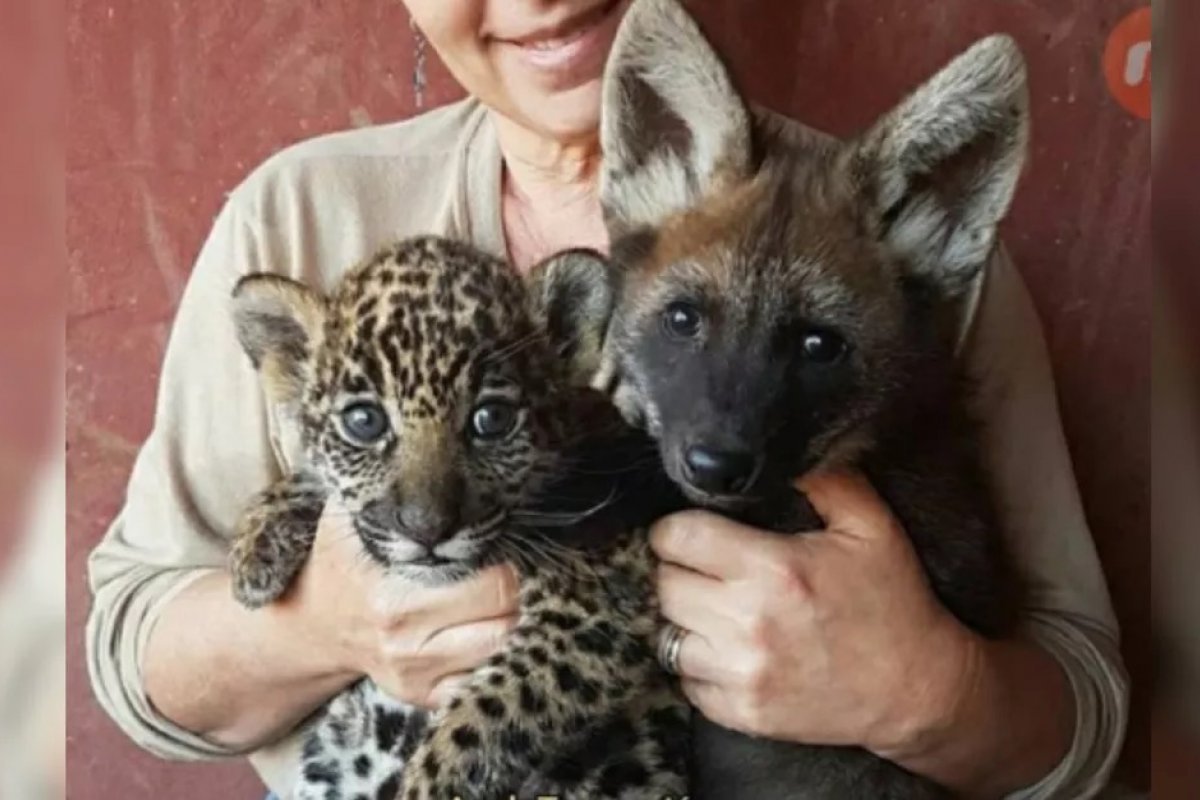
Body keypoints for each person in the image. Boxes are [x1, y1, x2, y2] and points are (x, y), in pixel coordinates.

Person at [86, 1, 1128, 797]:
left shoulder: (909, 275)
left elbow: (1088, 706)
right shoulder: (299, 218)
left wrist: (930, 694)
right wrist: (332, 624)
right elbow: (135, 654)